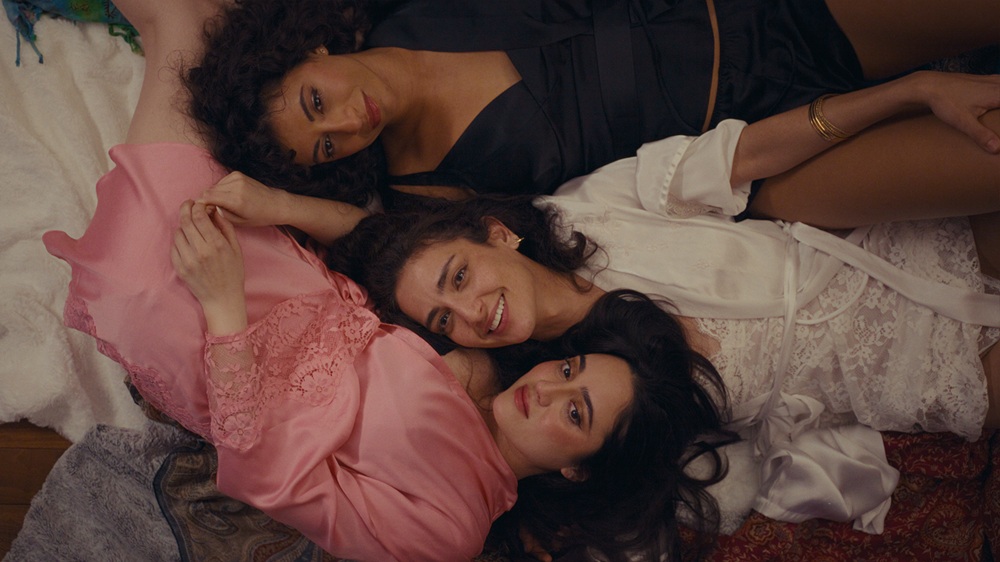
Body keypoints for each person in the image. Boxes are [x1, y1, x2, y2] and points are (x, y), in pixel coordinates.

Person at [40, 0, 736, 560]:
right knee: (198, 29)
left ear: (577, 469)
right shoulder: (493, 358)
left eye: (575, 412)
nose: (547, 386)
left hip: (187, 310)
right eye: (569, 369)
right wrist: (280, 208)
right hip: (271, 269)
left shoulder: (448, 528)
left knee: (182, 27)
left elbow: (271, 478)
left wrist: (222, 307)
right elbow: (391, 250)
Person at [186, 0, 999, 228]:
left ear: (310, 51)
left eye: (316, 102)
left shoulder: (408, 10)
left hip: (761, 17)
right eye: (326, 148)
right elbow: (383, 251)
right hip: (763, 163)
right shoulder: (422, 189)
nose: (347, 125)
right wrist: (285, 205)